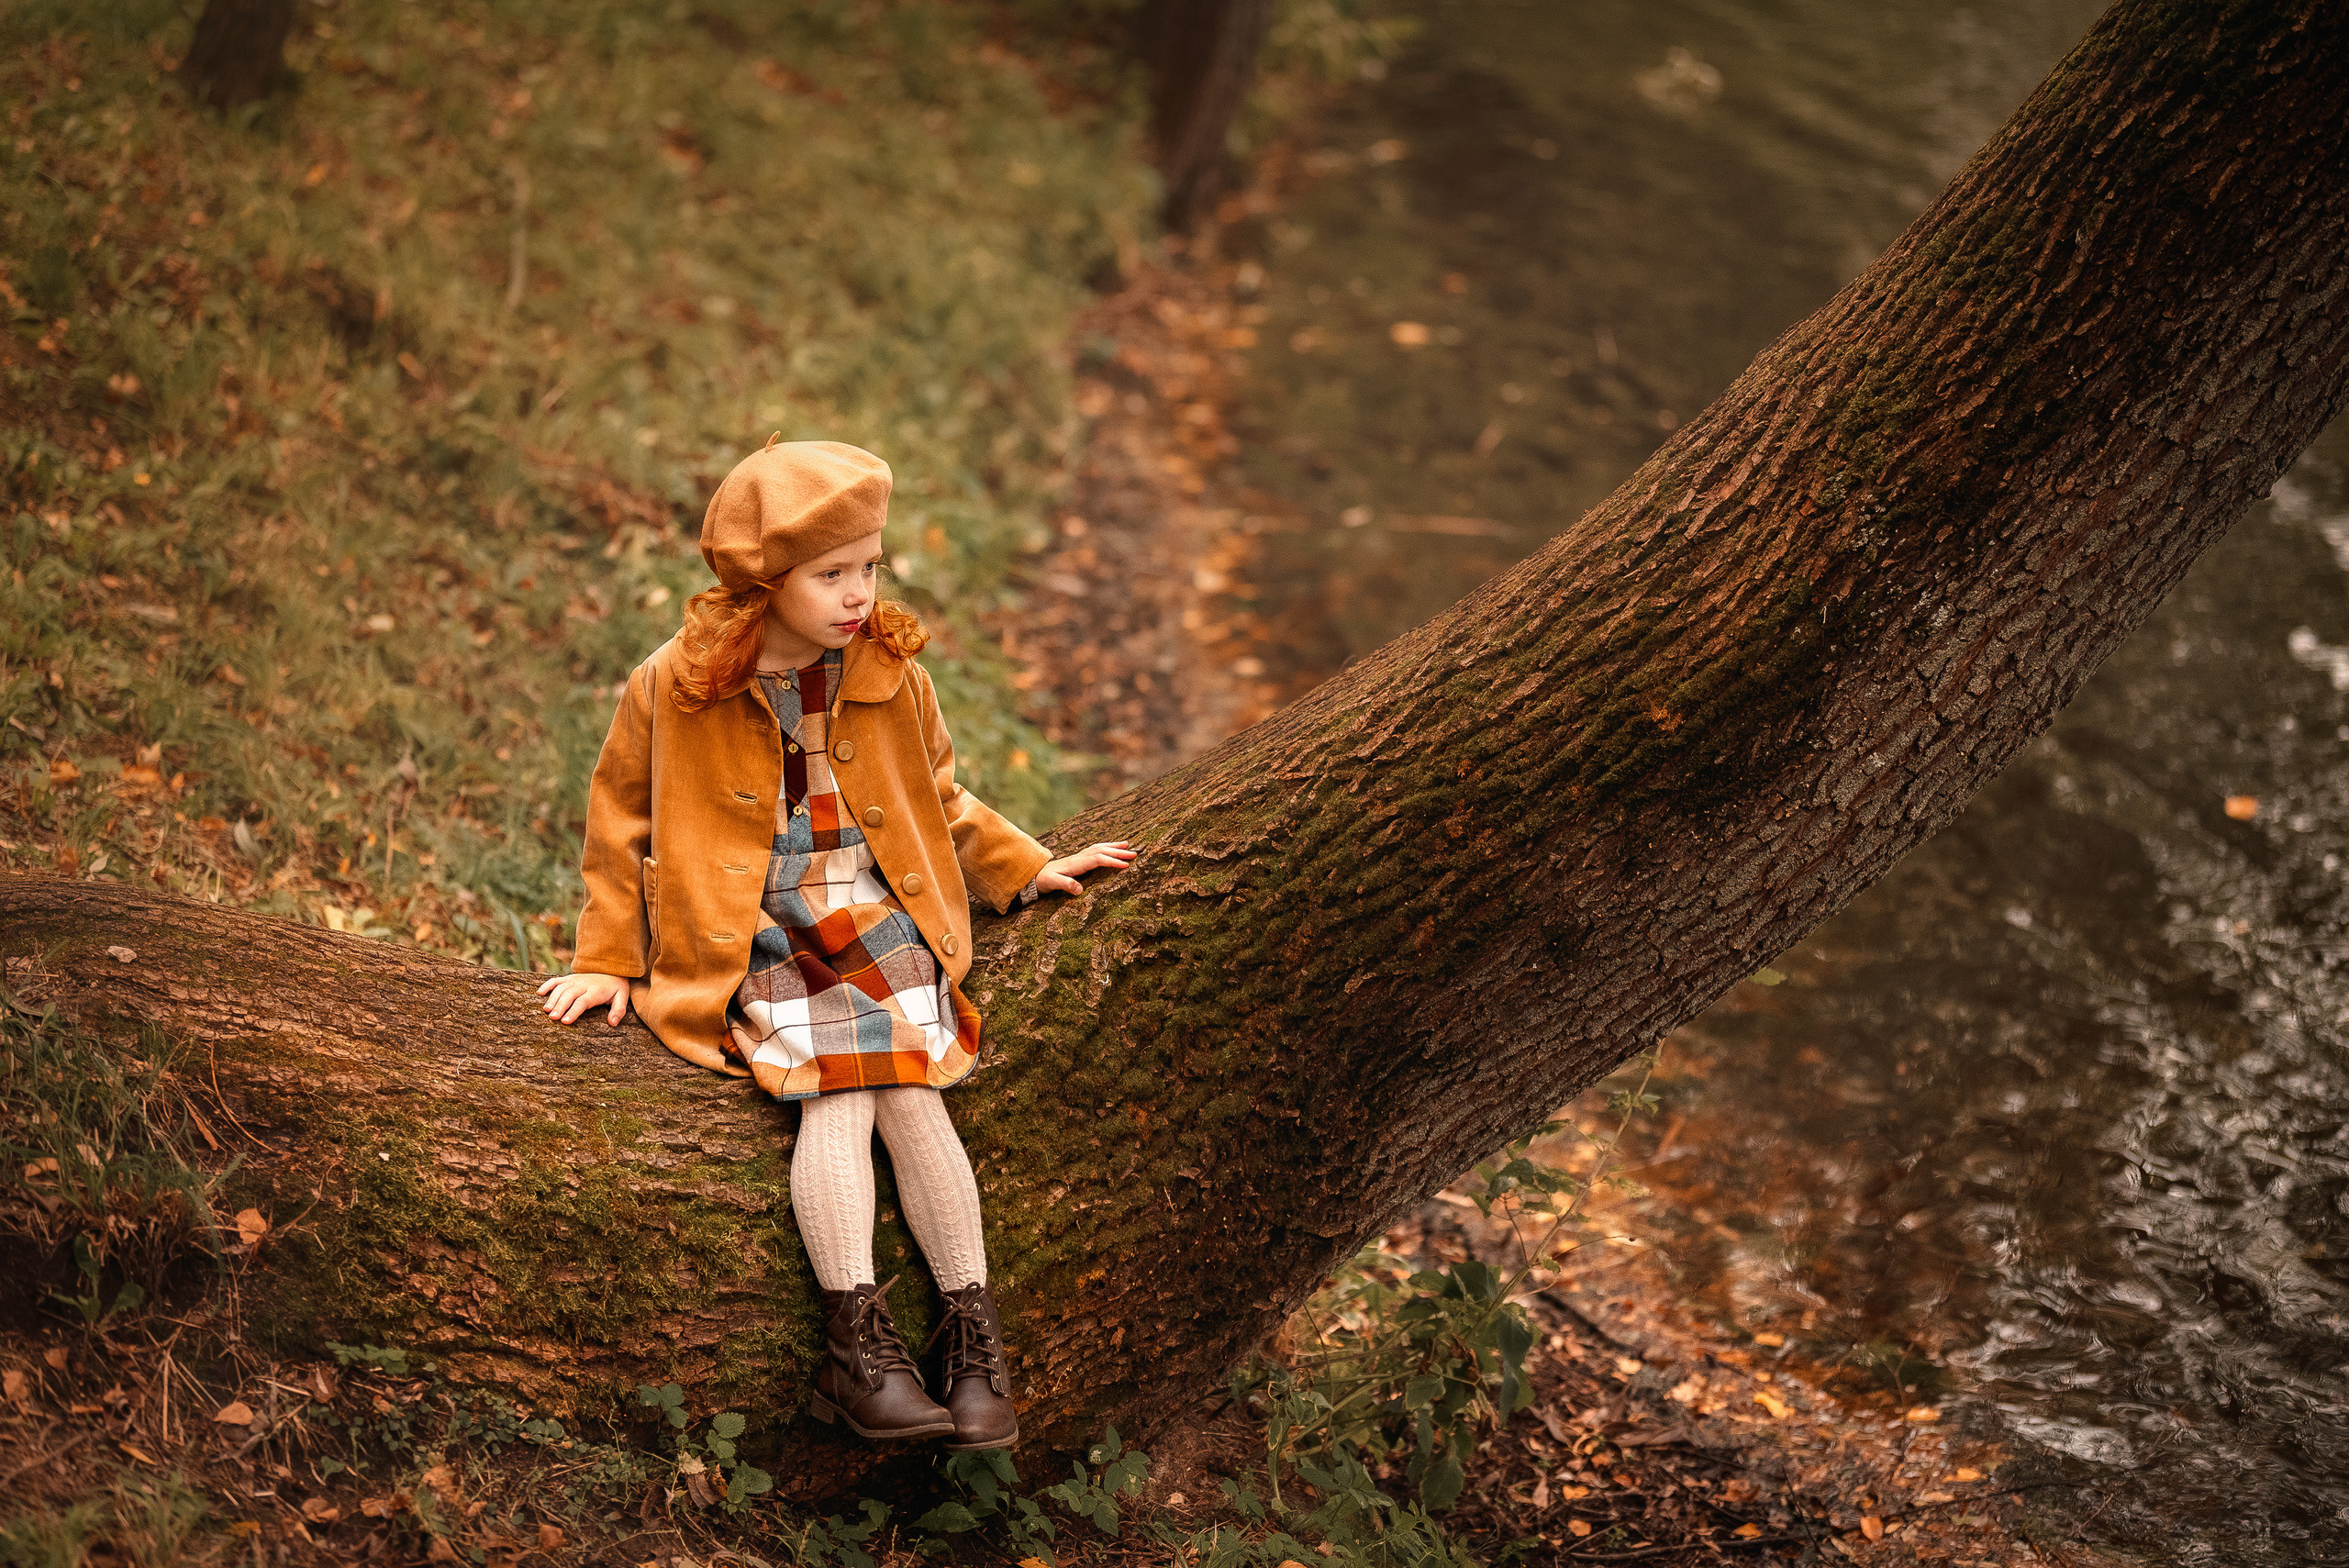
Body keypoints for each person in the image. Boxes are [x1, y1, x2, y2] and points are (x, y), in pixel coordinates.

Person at [536, 438, 1134, 1451]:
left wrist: (1020, 866)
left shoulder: (887, 671)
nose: (858, 593)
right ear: (763, 581)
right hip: (753, 927)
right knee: (840, 1087)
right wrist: (607, 958)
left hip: (873, 911)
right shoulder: (672, 686)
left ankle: (969, 1338)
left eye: (870, 566)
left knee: (913, 1085)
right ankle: (858, 1346)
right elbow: (620, 825)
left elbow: (937, 796)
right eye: (830, 573)